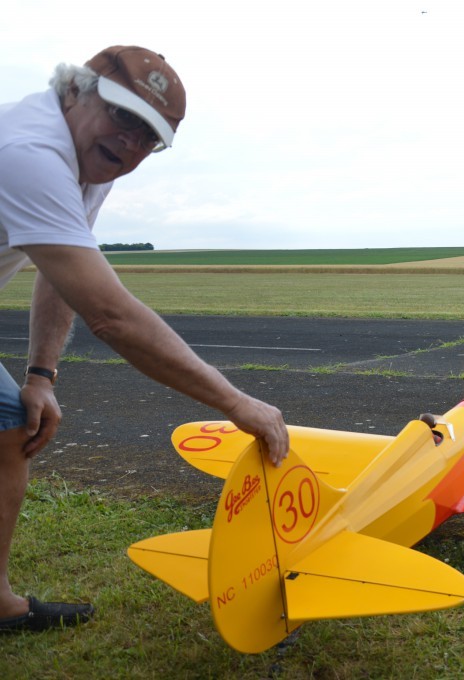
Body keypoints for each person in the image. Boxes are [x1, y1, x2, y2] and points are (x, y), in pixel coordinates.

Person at [0, 46, 290, 633]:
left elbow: (66, 270)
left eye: (149, 137)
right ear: (76, 92)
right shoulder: (29, 151)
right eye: (123, 116)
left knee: (11, 425)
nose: (131, 143)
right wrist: (237, 403)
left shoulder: (89, 161)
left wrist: (40, 376)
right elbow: (111, 315)